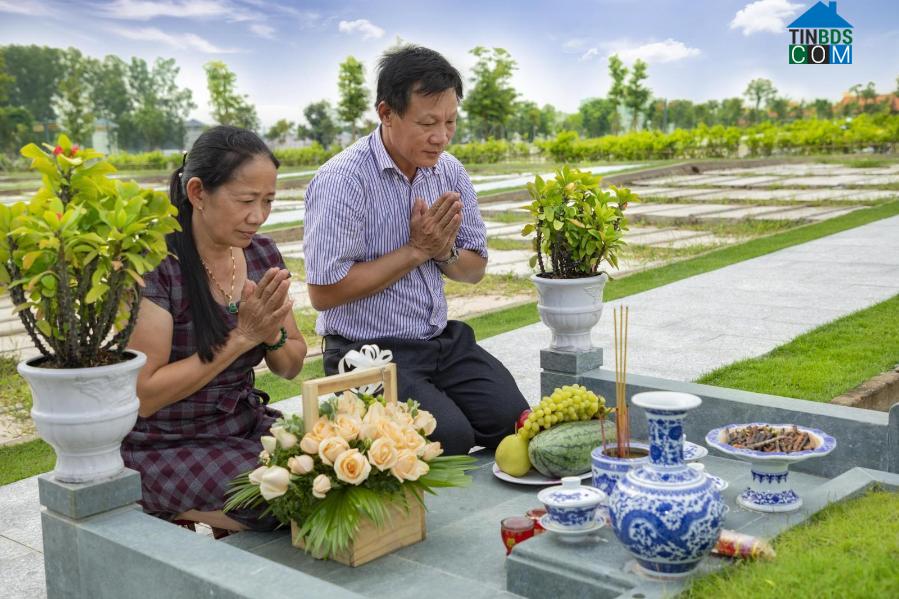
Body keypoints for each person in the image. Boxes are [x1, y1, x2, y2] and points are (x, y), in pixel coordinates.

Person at [303, 45, 528, 456]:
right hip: (364, 350)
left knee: (514, 424)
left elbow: (473, 269)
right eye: (427, 123)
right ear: (386, 113)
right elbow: (324, 293)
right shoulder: (343, 180)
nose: (440, 136)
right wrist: (416, 250)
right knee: (448, 440)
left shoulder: (450, 170)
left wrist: (443, 253)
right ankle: (357, 416)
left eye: (450, 122)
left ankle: (431, 399)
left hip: (439, 341)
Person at [123, 126, 306, 534]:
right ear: (198, 193)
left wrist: (270, 331)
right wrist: (241, 337)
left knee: (338, 465)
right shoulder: (160, 265)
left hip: (242, 425)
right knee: (288, 496)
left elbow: (291, 365)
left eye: (268, 201)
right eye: (245, 201)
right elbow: (146, 396)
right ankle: (172, 509)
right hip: (168, 442)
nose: (257, 216)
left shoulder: (262, 253)